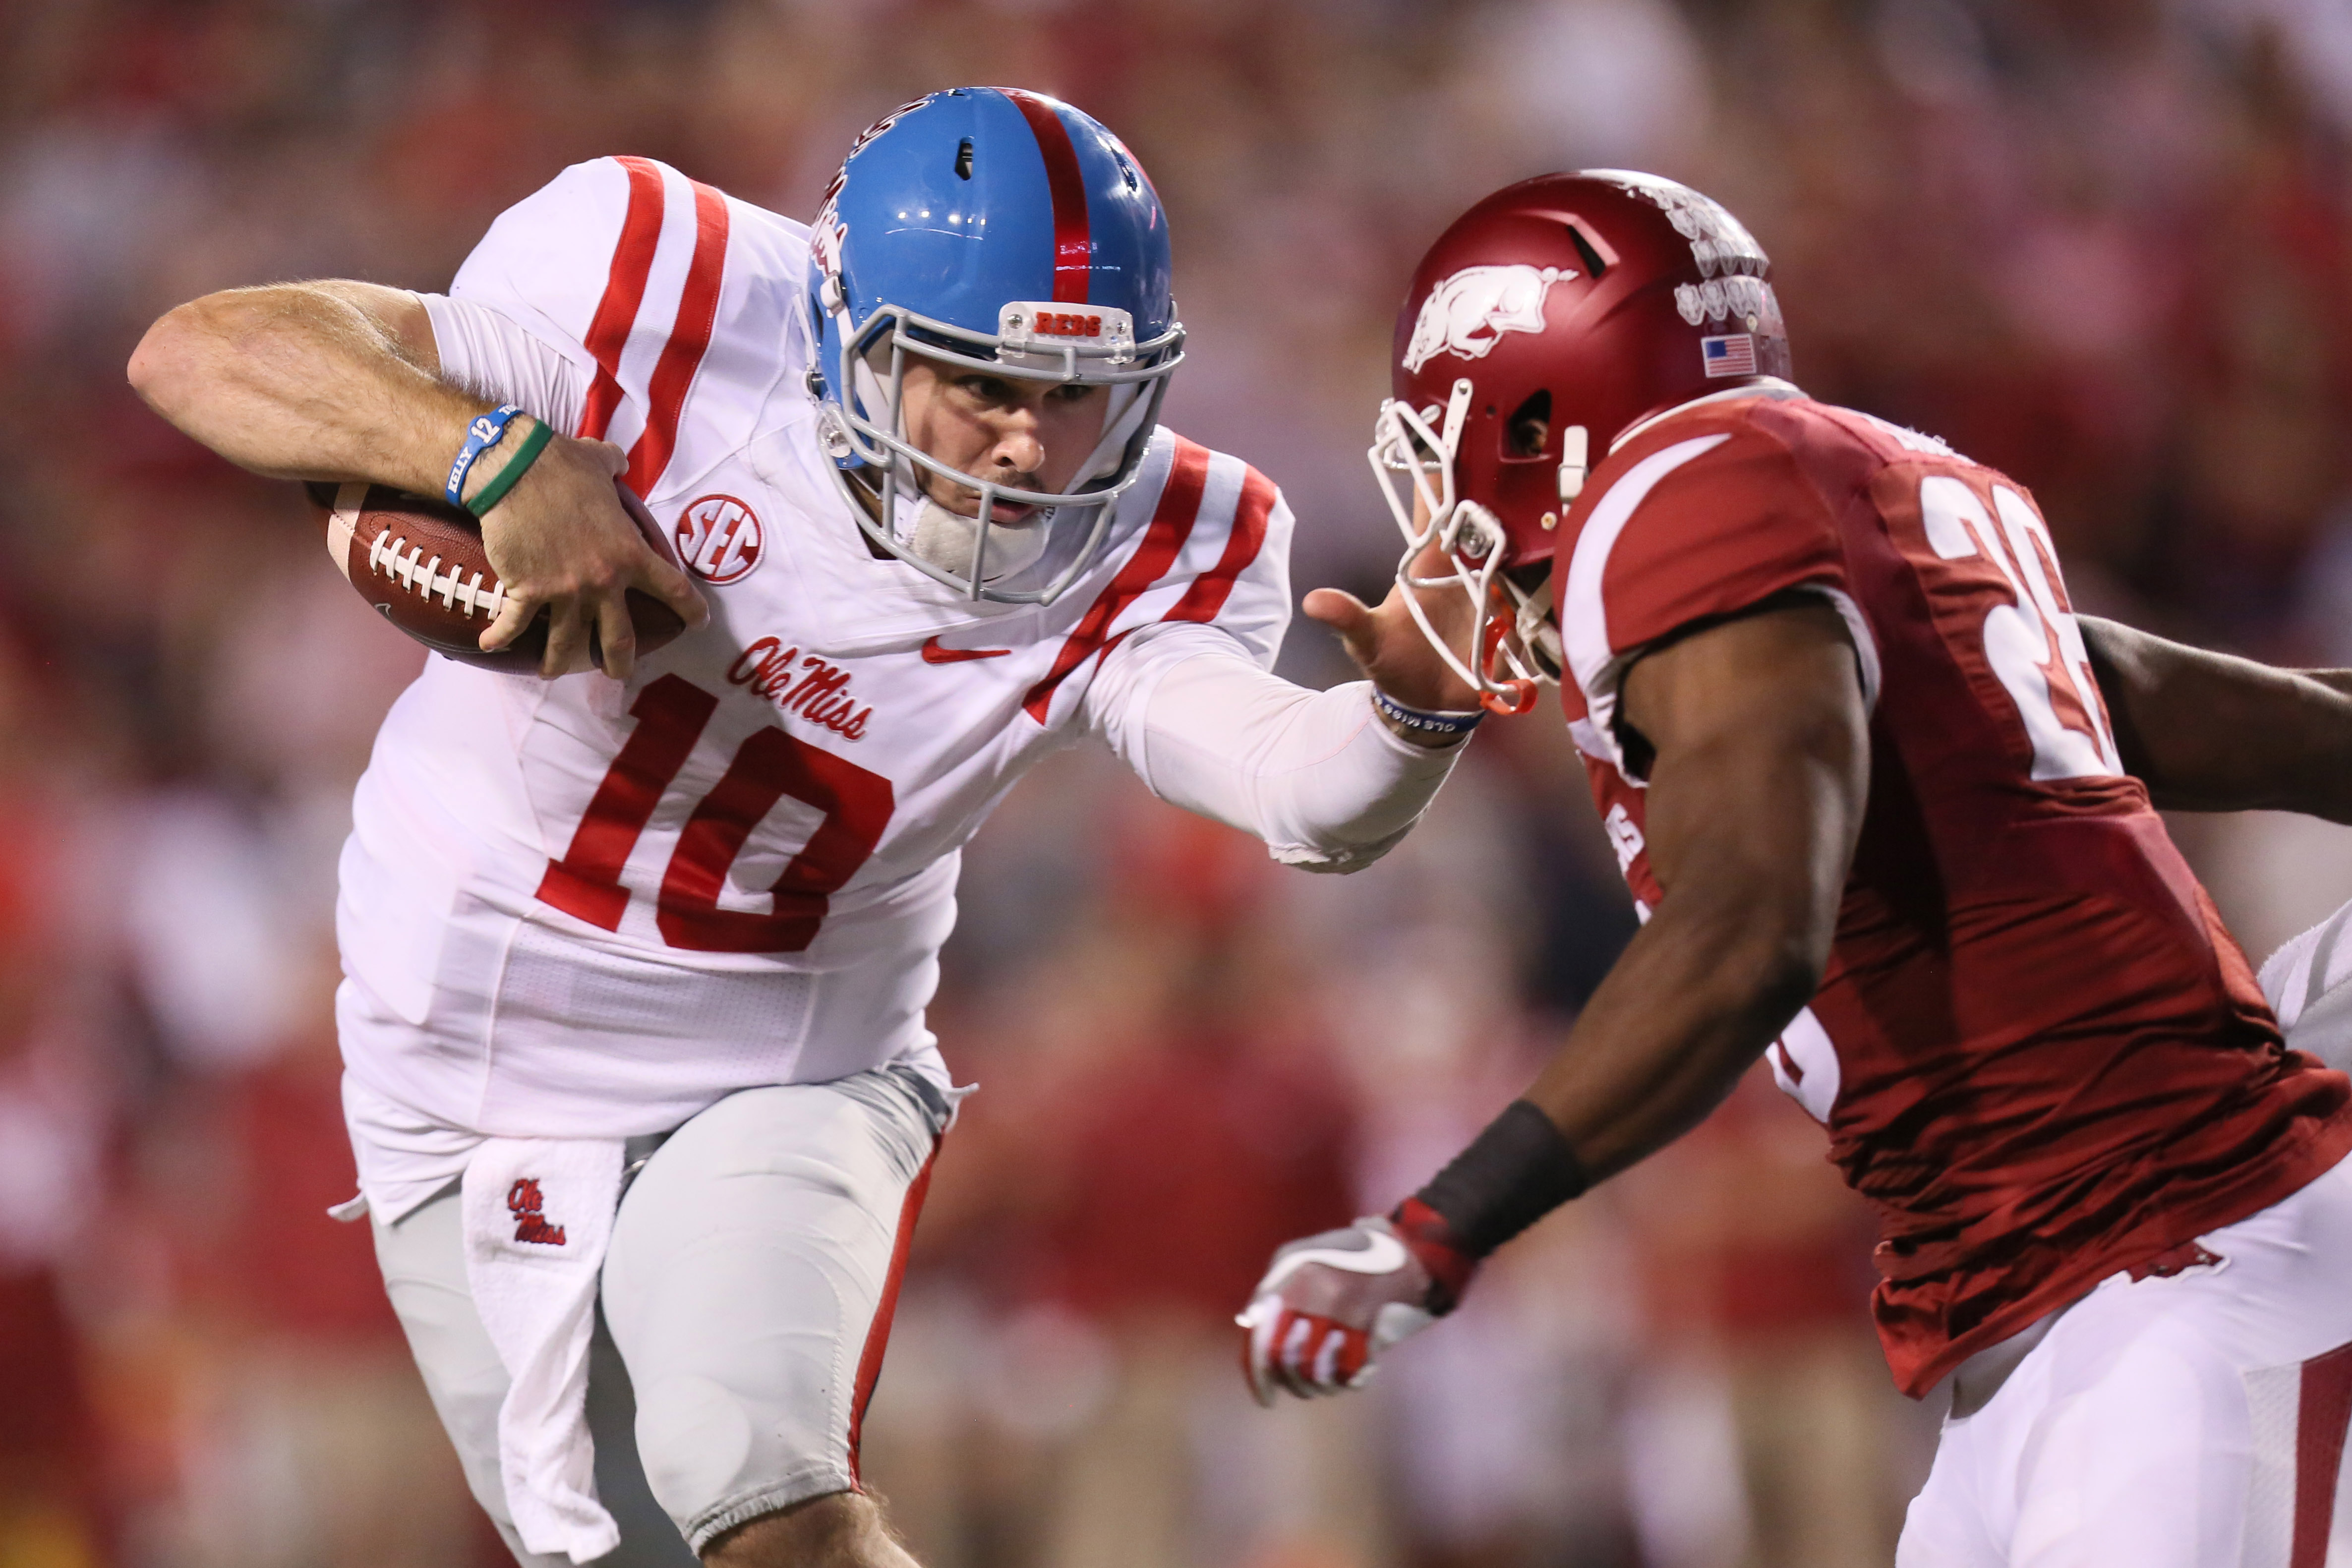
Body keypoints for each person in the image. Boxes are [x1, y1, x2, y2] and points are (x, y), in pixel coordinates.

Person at [129, 88, 1484, 1568]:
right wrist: (496, 462)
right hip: (444, 1055)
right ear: (846, 328)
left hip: (779, 1055)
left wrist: (1411, 716)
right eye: (979, 381)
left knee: (766, 1499)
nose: (1030, 448)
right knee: (600, 1545)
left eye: (1072, 392)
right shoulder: (658, 288)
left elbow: (1296, 789)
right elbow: (204, 349)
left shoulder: (1167, 539)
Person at [1237, 170, 2352, 1565]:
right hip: (2054, 1311)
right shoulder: (1878, 480)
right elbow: (2253, 724)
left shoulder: (1676, 498)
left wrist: (1436, 1228)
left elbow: (1750, 925)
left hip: (2177, 1262)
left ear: (1531, 410)